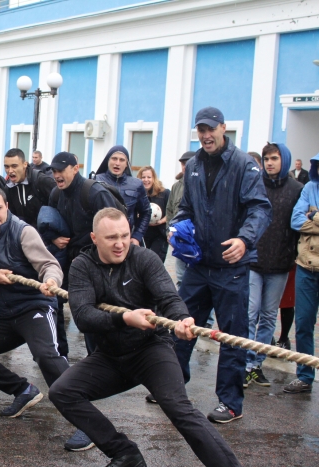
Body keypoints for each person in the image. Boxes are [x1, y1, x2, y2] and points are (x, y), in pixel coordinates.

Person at [49, 208, 241, 467]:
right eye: (111, 238)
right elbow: (83, 316)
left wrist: (181, 320)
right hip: (109, 357)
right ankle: (125, 453)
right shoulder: (82, 266)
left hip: (151, 350)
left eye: (124, 236)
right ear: (94, 238)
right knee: (62, 392)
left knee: (178, 409)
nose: (120, 244)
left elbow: (169, 298)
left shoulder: (145, 259)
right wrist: (125, 318)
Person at [0, 186, 90, 450]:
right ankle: (22, 390)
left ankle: (88, 423)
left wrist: (51, 279)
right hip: (3, 314)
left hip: (34, 306)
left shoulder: (23, 231)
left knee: (46, 356)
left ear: (6, 206)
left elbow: (49, 264)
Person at [170, 106, 271, 423]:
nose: (205, 135)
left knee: (232, 336)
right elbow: (186, 207)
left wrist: (244, 240)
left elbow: (260, 209)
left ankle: (230, 403)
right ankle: (172, 388)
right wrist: (178, 228)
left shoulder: (244, 165)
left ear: (224, 128)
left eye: (210, 129)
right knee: (181, 327)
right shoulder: (195, 165)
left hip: (232, 268)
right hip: (199, 266)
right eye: (200, 130)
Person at [48, 152, 120, 362]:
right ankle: (58, 354)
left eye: (61, 170)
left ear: (75, 168)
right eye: (54, 171)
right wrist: (53, 239)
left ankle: (99, 358)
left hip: (93, 263)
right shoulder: (55, 194)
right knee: (54, 303)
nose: (57, 175)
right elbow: (48, 224)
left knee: (91, 311)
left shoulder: (93, 192)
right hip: (66, 261)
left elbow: (115, 226)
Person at [245, 143, 302, 388]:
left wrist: (291, 255)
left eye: (274, 158)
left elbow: (297, 225)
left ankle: (257, 365)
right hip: (255, 261)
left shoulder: (297, 189)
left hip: (281, 264)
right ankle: (244, 364)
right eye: (266, 158)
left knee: (268, 316)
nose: (269, 163)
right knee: (250, 312)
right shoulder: (256, 185)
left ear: (284, 161)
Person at [286, 151, 319, 394]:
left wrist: (314, 216)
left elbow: (305, 219)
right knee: (304, 323)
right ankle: (305, 376)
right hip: (306, 267)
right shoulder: (309, 188)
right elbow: (296, 221)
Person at [95, 146, 151, 246]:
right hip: (103, 239)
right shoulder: (95, 181)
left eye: (122, 160)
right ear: (108, 161)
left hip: (127, 239)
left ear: (126, 164)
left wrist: (137, 236)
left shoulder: (136, 184)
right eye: (114, 158)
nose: (117, 163)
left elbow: (146, 211)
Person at [3, 147, 56, 228]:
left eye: (14, 166)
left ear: (25, 164)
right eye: (7, 167)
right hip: (24, 236)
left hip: (46, 237)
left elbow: (61, 207)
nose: (10, 171)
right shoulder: (8, 188)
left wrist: (54, 236)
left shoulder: (41, 180)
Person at [166, 151, 195, 287]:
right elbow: (170, 210)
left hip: (195, 239)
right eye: (183, 164)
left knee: (196, 277)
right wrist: (169, 232)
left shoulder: (201, 184)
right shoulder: (176, 186)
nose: (185, 166)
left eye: (188, 163)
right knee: (181, 277)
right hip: (179, 238)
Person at [137, 166, 169, 262]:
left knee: (156, 262)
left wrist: (161, 221)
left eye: (149, 177)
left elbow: (172, 212)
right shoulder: (137, 194)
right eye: (143, 177)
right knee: (141, 262)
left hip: (159, 234)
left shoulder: (165, 193)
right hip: (143, 233)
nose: (146, 180)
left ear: (154, 178)